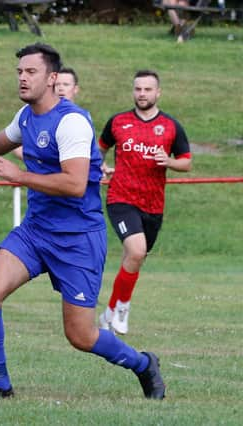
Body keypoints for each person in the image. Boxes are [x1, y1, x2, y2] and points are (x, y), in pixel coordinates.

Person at [0, 43, 166, 400]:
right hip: (36, 232)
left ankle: (143, 364)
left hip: (77, 239)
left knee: (81, 336)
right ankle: (0, 387)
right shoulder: (26, 116)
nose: (22, 78)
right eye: (19, 72)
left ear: (52, 78)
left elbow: (76, 185)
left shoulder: (71, 121)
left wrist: (20, 176)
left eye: (31, 72)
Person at [97, 70, 192, 335]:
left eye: (147, 89)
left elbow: (186, 161)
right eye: (138, 89)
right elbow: (100, 147)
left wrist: (170, 162)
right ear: (133, 91)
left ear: (158, 92)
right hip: (121, 198)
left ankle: (109, 312)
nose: (142, 94)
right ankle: (123, 308)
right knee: (136, 251)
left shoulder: (171, 126)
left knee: (135, 258)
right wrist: (101, 163)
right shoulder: (118, 121)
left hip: (153, 204)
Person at [13, 67, 80, 160]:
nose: (61, 88)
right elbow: (14, 145)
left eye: (66, 84)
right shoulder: (36, 114)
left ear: (75, 89)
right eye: (57, 84)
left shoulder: (78, 119)